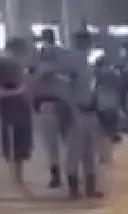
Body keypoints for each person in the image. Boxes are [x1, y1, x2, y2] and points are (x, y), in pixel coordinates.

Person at [65, 29, 101, 198]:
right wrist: (73, 110)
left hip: (90, 112)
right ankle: (73, 190)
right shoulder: (72, 63)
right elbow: (66, 90)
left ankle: (90, 188)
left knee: (89, 152)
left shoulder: (88, 63)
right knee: (75, 151)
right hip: (77, 112)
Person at [33, 28, 67, 188]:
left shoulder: (43, 64)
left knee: (52, 144)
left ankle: (57, 176)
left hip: (50, 104)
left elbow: (37, 82)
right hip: (61, 104)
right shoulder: (62, 60)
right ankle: (65, 174)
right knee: (61, 143)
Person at [0, 37, 33, 188]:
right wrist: (18, 91)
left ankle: (17, 177)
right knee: (12, 144)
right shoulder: (4, 64)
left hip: (21, 109)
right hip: (9, 109)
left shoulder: (20, 66)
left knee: (21, 145)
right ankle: (14, 178)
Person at [93, 55, 120, 163]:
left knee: (101, 132)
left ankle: (103, 155)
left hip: (101, 106)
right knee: (111, 131)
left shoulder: (96, 74)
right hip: (112, 105)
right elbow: (118, 88)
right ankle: (109, 155)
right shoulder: (114, 74)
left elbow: (93, 92)